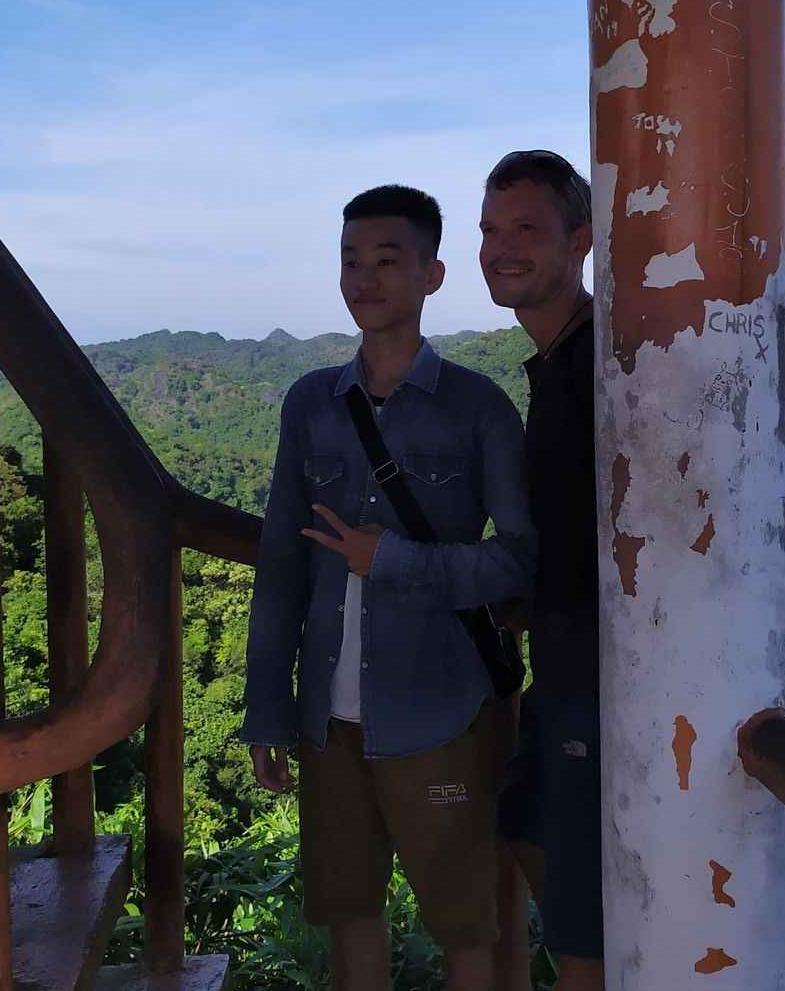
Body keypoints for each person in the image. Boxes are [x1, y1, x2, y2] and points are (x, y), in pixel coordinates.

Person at [240, 184, 536, 991]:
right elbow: (281, 564)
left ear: (432, 274)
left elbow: (519, 560)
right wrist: (266, 706)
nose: (364, 278)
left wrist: (396, 560)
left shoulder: (478, 408)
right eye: (350, 261)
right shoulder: (310, 405)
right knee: (350, 917)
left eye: (386, 259)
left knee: (466, 927)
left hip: (440, 711)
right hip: (326, 721)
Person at [478, 150, 604, 990]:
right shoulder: (559, 361)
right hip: (558, 673)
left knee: (584, 926)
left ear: (581, 240)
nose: (501, 247)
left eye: (526, 227)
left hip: (599, 679)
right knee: (523, 823)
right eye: (491, 229)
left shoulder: (604, 363)